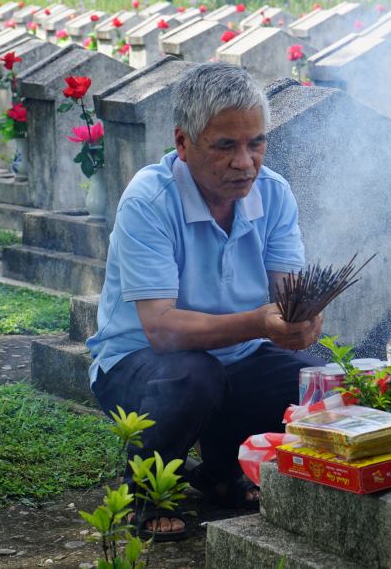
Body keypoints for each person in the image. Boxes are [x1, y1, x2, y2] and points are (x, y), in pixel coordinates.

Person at [86, 63, 323, 541]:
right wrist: (261, 323)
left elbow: (289, 292)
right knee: (193, 376)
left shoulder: (273, 194)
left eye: (256, 143)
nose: (245, 162)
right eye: (225, 146)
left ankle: (220, 470)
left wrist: (303, 322)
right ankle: (147, 492)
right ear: (183, 143)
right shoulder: (149, 201)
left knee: (309, 379)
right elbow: (161, 328)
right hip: (140, 365)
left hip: (234, 358)